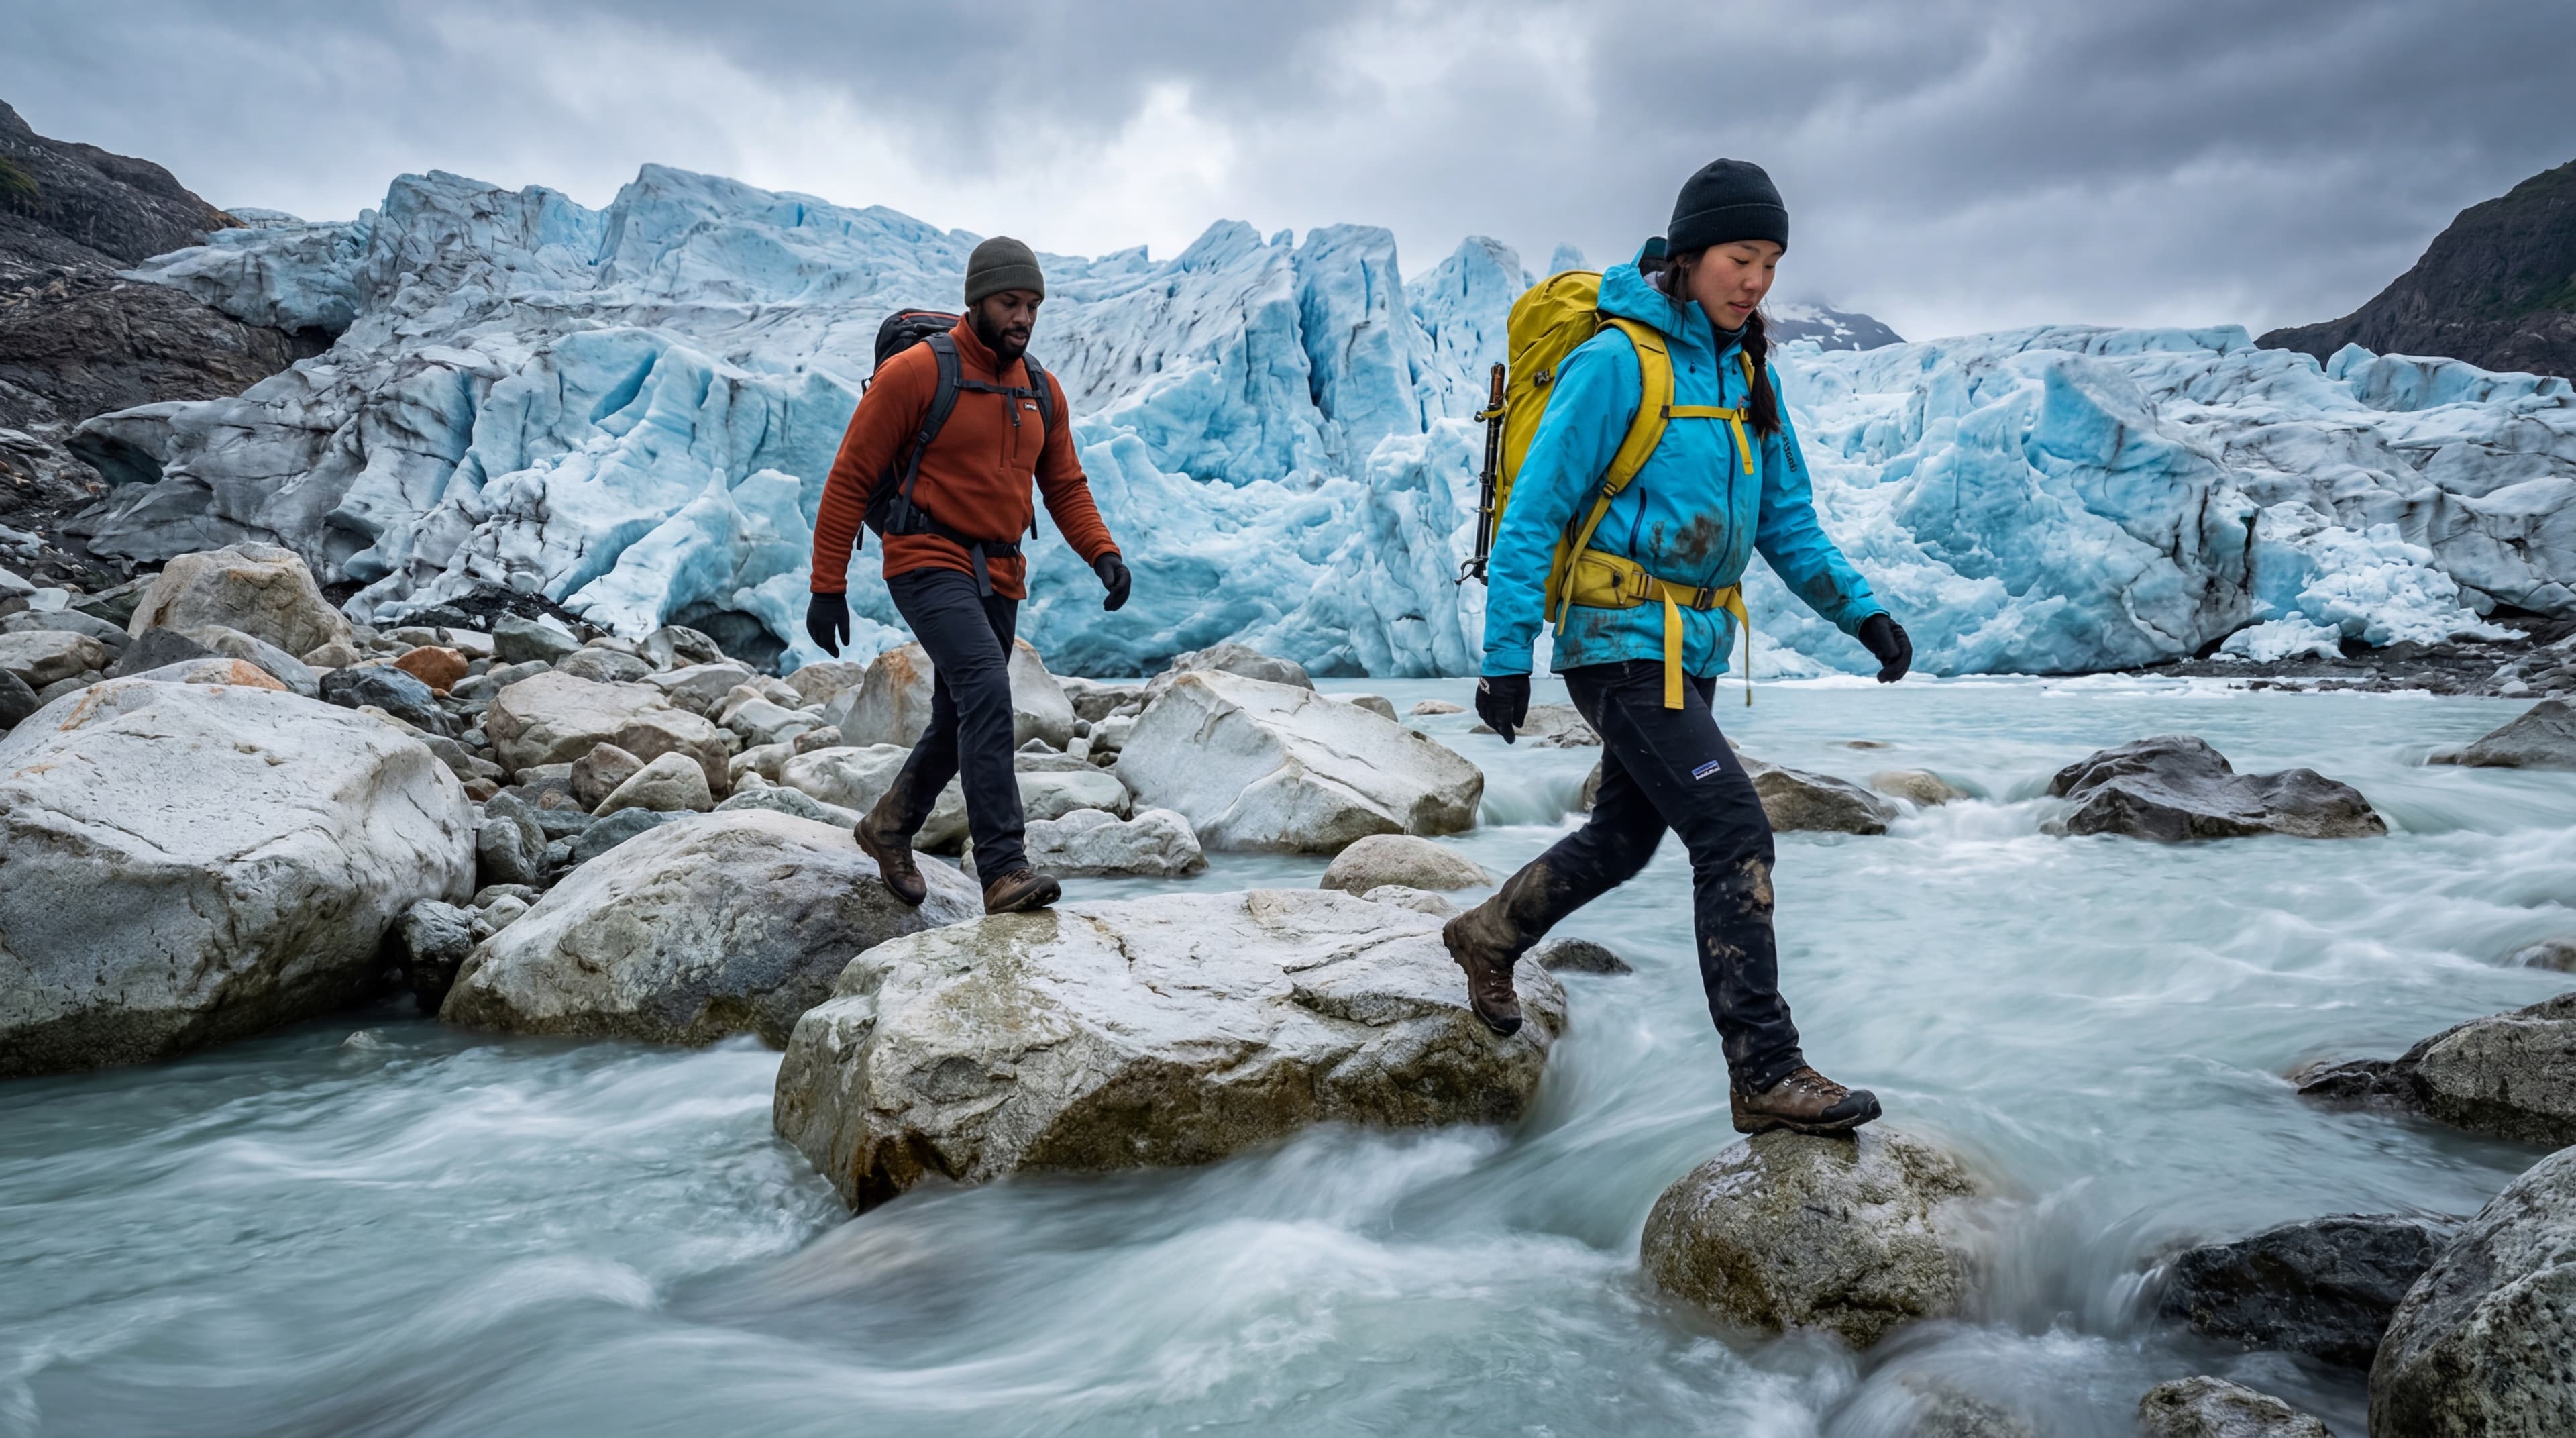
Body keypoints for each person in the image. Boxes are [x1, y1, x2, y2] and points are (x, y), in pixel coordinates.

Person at [1448, 159, 1913, 1137]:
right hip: (1616, 642)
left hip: (1688, 650)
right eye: (1742, 257)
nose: (1756, 281)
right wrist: (1506, 656)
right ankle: (1765, 1068)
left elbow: (1787, 521)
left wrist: (1862, 615)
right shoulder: (1618, 361)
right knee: (1733, 829)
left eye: (1772, 263)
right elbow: (1536, 508)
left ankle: (1487, 935)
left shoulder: (1748, 375)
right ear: (1691, 253)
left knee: (1624, 836)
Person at [805, 236, 1132, 915]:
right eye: (1010, 302)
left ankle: (889, 825)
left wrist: (1102, 553)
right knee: (986, 688)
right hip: (926, 557)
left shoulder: (1040, 388)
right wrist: (827, 585)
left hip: (1001, 571)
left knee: (961, 712)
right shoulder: (917, 373)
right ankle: (1004, 868)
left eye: (1033, 305)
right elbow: (850, 477)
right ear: (977, 300)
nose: (1024, 317)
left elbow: (1065, 484)